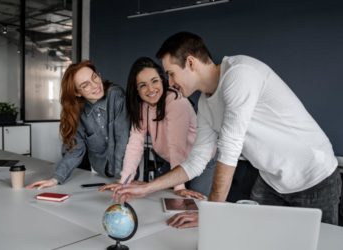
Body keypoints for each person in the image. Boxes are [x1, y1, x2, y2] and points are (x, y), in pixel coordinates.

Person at [114, 32, 341, 227]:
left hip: (313, 176)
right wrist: (147, 188)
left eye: (171, 73)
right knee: (260, 241)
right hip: (272, 181)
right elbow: (195, 162)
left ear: (191, 63)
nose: (169, 83)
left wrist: (210, 213)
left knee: (318, 243)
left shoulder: (239, 74)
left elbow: (230, 148)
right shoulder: (204, 103)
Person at [100, 57, 215, 198]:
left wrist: (178, 186)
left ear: (162, 80)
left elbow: (176, 145)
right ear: (136, 89)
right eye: (143, 85)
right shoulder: (142, 107)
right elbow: (135, 144)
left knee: (197, 204)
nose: (150, 89)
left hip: (201, 160)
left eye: (154, 81)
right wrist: (124, 181)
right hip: (173, 161)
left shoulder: (175, 100)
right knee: (164, 200)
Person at [26, 60, 129, 189]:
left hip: (125, 175)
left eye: (94, 77)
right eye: (86, 85)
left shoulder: (116, 96)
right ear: (77, 93)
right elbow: (76, 150)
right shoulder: (79, 112)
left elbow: (122, 140)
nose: (95, 85)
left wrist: (122, 180)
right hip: (100, 175)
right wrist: (56, 178)